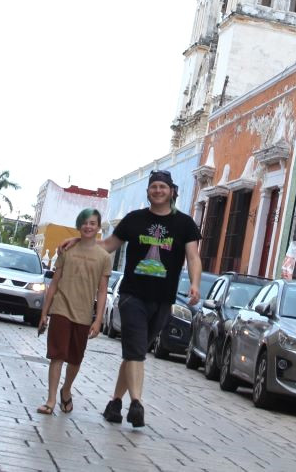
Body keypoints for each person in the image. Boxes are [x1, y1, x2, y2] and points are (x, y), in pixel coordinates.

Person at [60, 169, 201, 428]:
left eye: (162, 187)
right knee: (136, 349)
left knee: (134, 353)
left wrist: (194, 284)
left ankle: (114, 403)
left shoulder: (185, 224)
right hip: (132, 295)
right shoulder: (134, 219)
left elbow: (193, 256)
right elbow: (108, 245)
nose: (158, 191)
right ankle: (136, 403)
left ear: (171, 191)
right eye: (153, 187)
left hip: (163, 300)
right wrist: (79, 240)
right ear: (148, 191)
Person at [35, 208, 111, 416]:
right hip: (61, 309)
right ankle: (51, 400)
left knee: (76, 359)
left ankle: (66, 389)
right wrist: (45, 312)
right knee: (57, 356)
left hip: (84, 314)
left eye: (93, 223)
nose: (88, 226)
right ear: (79, 225)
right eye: (85, 222)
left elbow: (102, 291)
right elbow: (54, 282)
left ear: (98, 227)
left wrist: (99, 320)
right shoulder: (66, 251)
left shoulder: (104, 257)